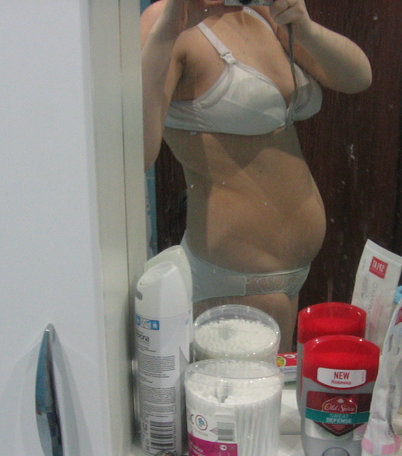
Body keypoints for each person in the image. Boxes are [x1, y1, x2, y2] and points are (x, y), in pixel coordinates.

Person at [141, 0, 372, 352]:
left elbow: (358, 79)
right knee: (250, 390)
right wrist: (164, 36)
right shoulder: (169, 19)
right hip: (233, 279)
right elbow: (134, 156)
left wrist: (305, 28)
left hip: (289, 275)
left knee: (277, 387)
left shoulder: (260, 13)